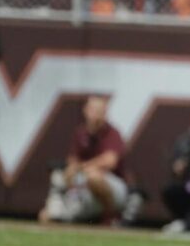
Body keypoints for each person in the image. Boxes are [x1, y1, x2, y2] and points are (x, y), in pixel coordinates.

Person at [39, 95, 128, 224]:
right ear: (85, 110)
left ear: (105, 113)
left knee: (93, 176)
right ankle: (60, 209)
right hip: (83, 186)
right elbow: (72, 161)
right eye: (93, 109)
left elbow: (110, 161)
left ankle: (109, 218)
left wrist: (82, 167)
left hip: (113, 187)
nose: (96, 114)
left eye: (99, 110)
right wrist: (71, 172)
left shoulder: (112, 133)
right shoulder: (80, 133)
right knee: (47, 211)